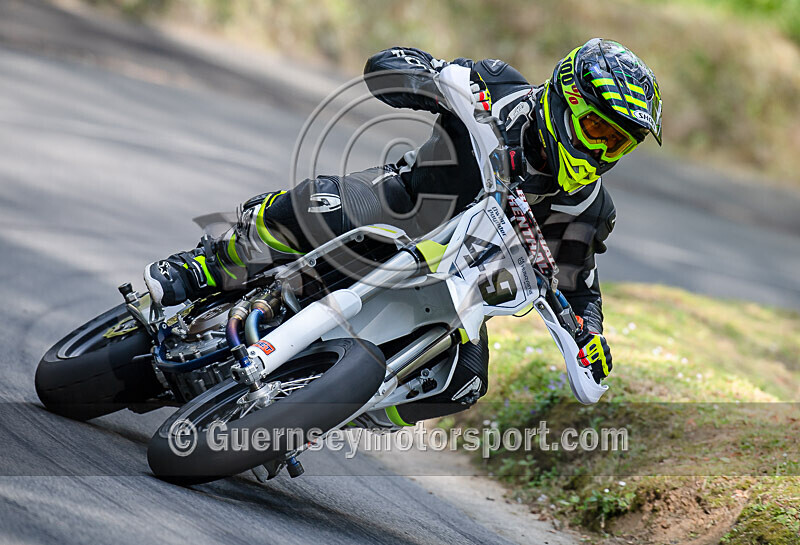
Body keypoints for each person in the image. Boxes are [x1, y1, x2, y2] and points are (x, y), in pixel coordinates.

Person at [144, 38, 662, 423]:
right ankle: (201, 268)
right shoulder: (501, 88)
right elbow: (390, 71)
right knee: (320, 203)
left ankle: (324, 416)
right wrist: (422, 72)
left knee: (465, 382)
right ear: (566, 98)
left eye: (617, 143)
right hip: (398, 207)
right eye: (597, 128)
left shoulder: (591, 209)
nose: (600, 150)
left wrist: (590, 334)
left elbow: (580, 283)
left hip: (456, 282)